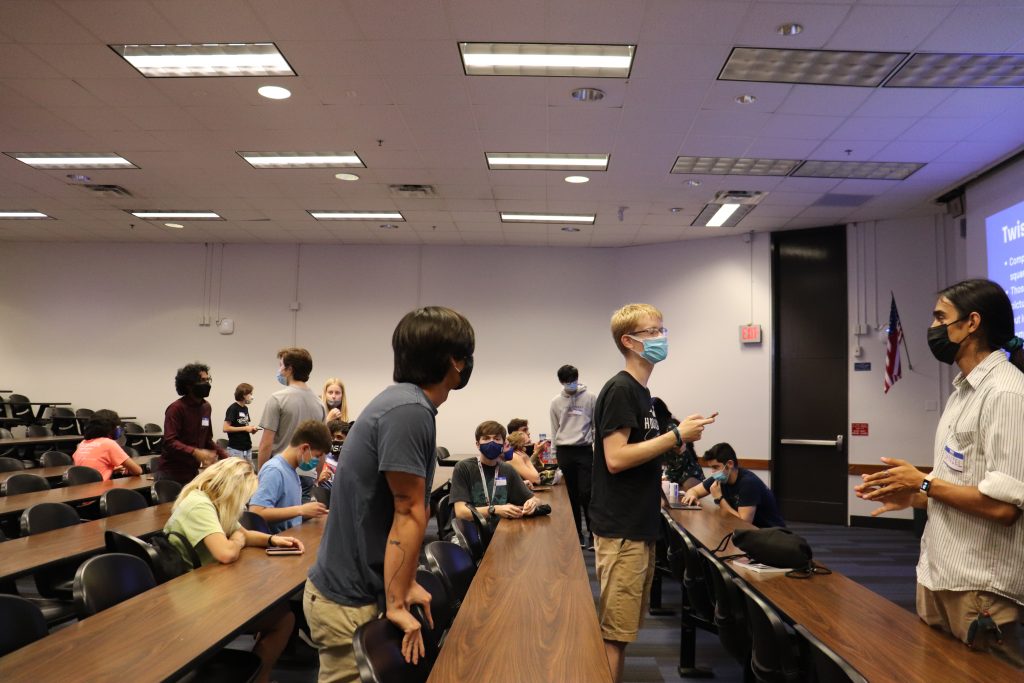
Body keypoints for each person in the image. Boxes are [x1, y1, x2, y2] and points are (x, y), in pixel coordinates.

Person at [855, 279, 1024, 669]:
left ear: (971, 323)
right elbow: (960, 482)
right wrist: (915, 496)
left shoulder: (1006, 394)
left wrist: (924, 482)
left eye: (940, 317)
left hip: (979, 588)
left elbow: (1004, 508)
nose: (932, 327)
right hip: (937, 574)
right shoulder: (963, 391)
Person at [304, 306, 475, 681]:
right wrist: (397, 602)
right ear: (454, 360)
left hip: (360, 591)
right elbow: (408, 510)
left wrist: (405, 584)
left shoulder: (406, 403)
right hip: (348, 601)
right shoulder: (409, 411)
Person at [590, 303, 715, 683]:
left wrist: (675, 440)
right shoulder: (621, 390)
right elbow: (615, 458)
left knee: (624, 632)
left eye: (663, 329)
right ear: (629, 342)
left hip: (639, 525)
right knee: (615, 635)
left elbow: (643, 450)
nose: (662, 337)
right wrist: (675, 435)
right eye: (654, 331)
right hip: (621, 528)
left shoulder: (644, 395)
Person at [163, 458, 304, 683]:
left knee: (282, 615)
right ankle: (260, 678)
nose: (245, 502)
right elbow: (226, 553)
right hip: (192, 599)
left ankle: (259, 677)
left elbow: (244, 534)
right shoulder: (198, 504)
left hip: (206, 587)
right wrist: (237, 540)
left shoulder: (214, 502)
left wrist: (273, 540)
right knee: (282, 619)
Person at [258, 348, 326, 503]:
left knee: (275, 517)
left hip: (280, 472)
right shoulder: (319, 404)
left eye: (281, 365)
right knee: (299, 517)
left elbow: (266, 444)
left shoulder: (277, 399)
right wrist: (317, 476)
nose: (279, 370)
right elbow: (321, 448)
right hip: (308, 474)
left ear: (289, 369)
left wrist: (261, 475)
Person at [451, 421, 539, 533]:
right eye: (486, 438)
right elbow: (461, 513)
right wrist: (494, 509)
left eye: (497, 439)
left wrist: (532, 503)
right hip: (472, 533)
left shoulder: (507, 469)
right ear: (477, 444)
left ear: (503, 444)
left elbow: (534, 499)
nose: (491, 442)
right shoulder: (463, 468)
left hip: (501, 530)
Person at [249, 420, 331, 533]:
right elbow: (256, 512)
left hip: (293, 536)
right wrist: (300, 510)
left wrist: (310, 511)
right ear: (304, 448)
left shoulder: (292, 471)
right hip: (277, 541)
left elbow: (287, 512)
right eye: (317, 456)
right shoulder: (274, 470)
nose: (316, 461)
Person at [681, 443, 785, 528]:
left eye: (716, 467)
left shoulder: (749, 483)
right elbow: (694, 490)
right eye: (711, 467)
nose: (713, 472)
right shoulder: (721, 477)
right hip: (745, 532)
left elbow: (744, 524)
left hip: (769, 535)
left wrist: (719, 498)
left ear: (730, 464)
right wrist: (692, 496)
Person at [550, 364, 597, 548]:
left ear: (577, 378)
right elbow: (554, 429)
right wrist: (554, 454)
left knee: (587, 493)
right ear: (561, 382)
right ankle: (576, 533)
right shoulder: (556, 402)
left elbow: (596, 425)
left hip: (584, 449)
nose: (570, 384)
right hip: (564, 450)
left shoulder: (590, 398)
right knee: (571, 495)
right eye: (566, 381)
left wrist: (597, 449)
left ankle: (592, 534)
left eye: (573, 380)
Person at [158, 362, 228, 485]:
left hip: (192, 472)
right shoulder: (176, 408)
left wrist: (226, 456)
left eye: (208, 380)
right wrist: (195, 452)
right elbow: (170, 442)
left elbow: (207, 439)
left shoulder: (206, 407)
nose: (207, 384)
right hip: (171, 473)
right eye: (202, 380)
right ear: (189, 385)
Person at [72, 409, 143, 481]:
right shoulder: (108, 443)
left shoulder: (83, 443)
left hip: (82, 486)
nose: (118, 429)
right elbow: (138, 470)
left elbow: (88, 469)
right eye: (116, 426)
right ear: (110, 428)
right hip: (99, 487)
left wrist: (111, 469)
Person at [223, 382, 258, 465]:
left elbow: (243, 425)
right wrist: (245, 428)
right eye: (250, 394)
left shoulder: (245, 408)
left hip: (247, 447)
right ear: (243, 394)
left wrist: (251, 429)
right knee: (238, 472)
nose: (252, 396)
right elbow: (225, 428)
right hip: (236, 449)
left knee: (248, 471)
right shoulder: (233, 408)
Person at [317, 419, 351, 491]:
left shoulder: (351, 461)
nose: (335, 440)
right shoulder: (321, 456)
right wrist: (318, 480)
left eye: (339, 437)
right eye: (331, 437)